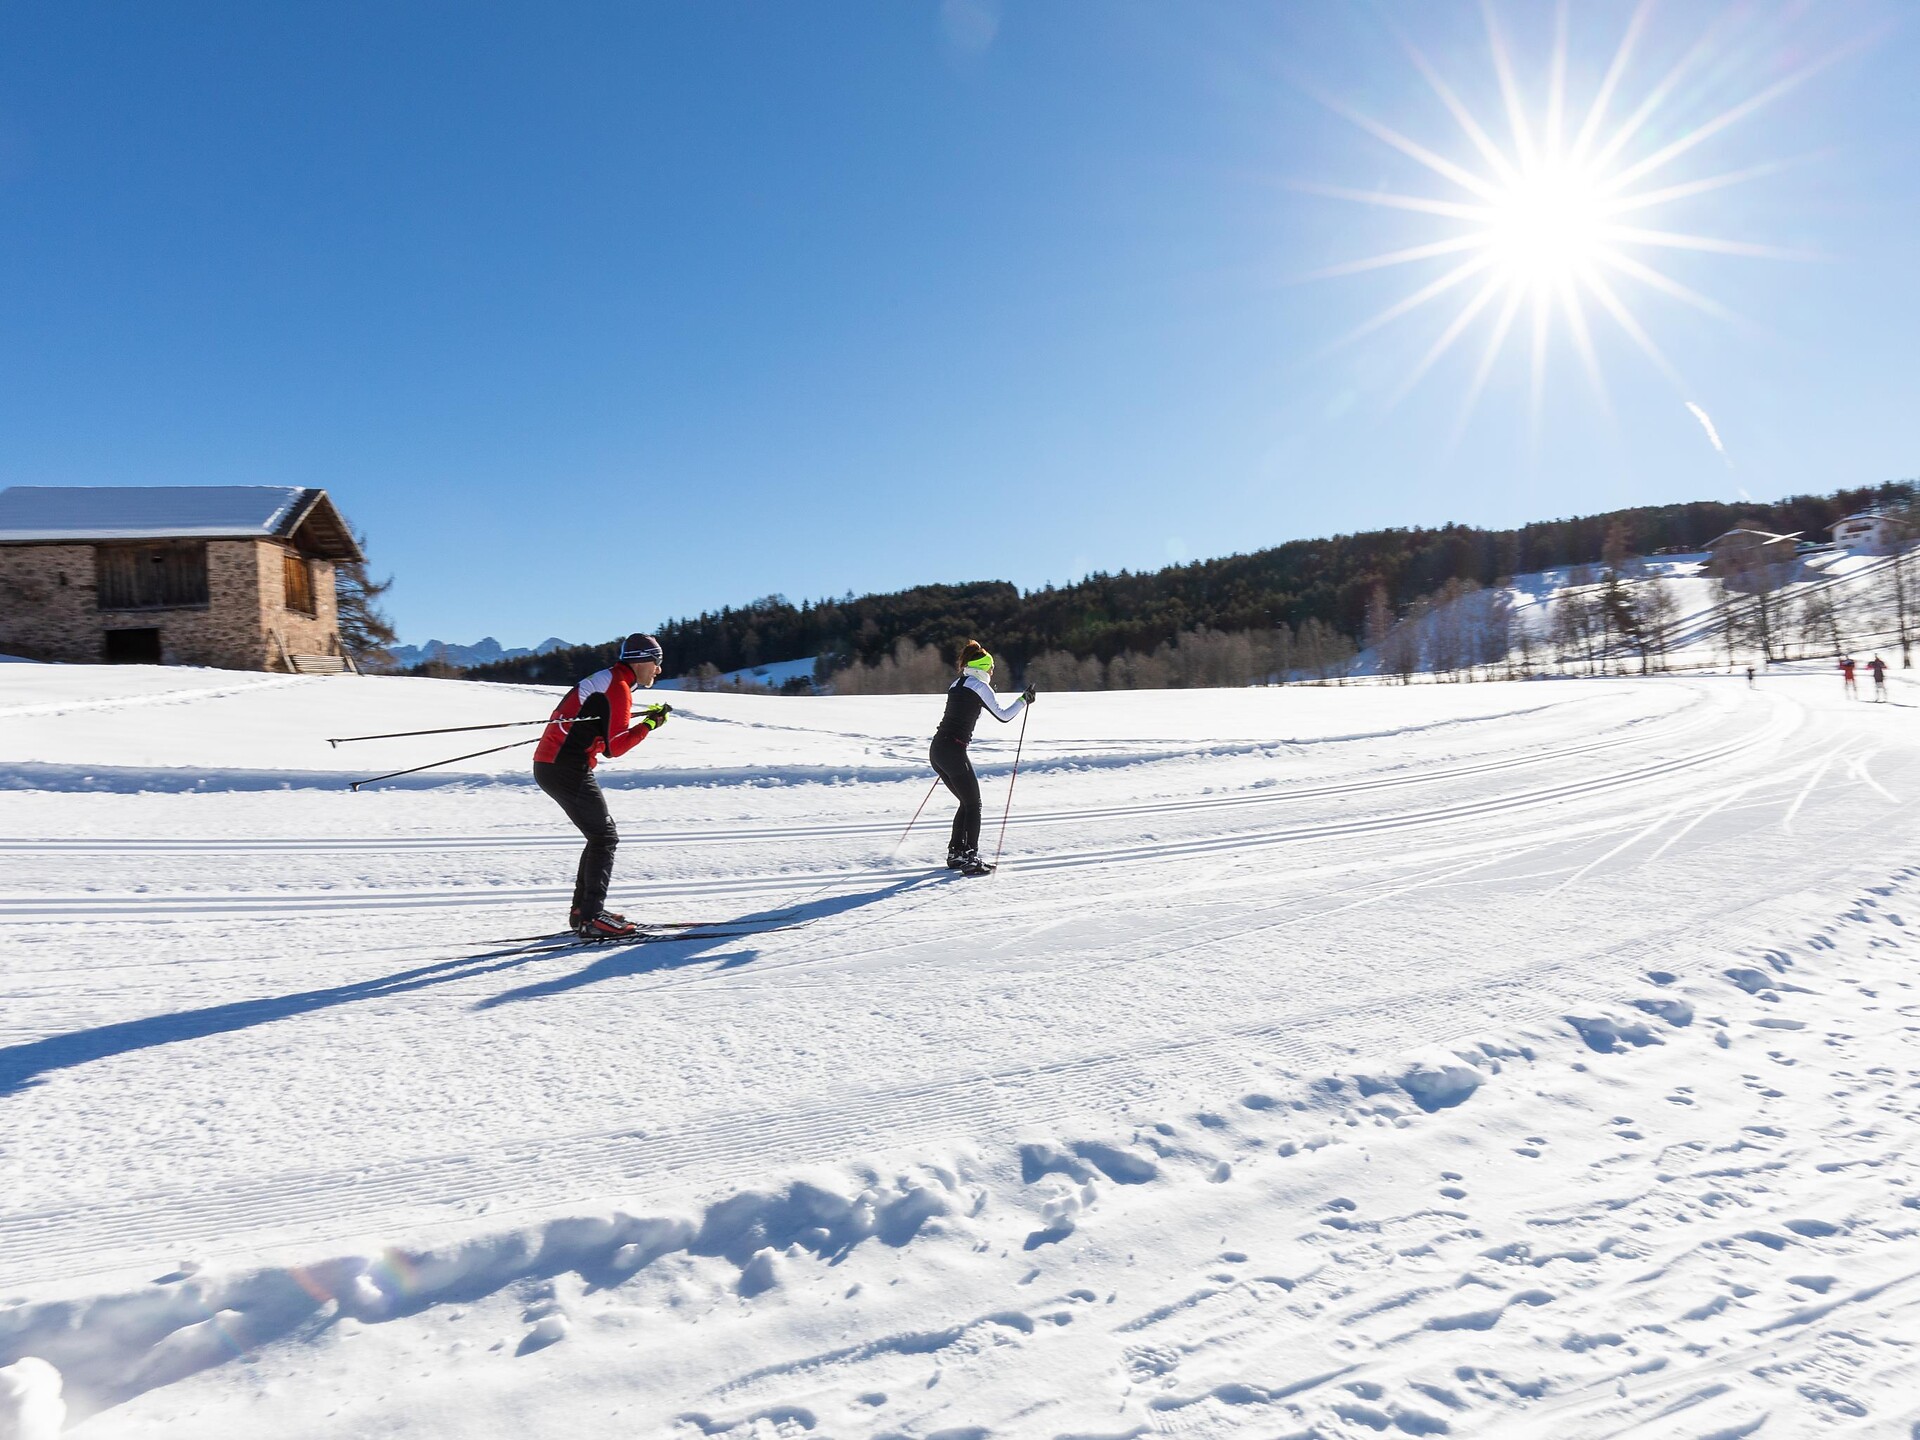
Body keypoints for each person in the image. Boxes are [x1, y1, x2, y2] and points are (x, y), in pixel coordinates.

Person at [533, 633, 672, 938]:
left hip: (554, 765)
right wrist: (650, 725)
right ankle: (592, 917)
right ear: (640, 661)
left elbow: (604, 735)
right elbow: (616, 747)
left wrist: (643, 722)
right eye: (656, 662)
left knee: (599, 835)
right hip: (565, 767)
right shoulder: (618, 687)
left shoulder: (611, 680)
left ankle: (583, 912)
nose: (659, 670)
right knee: (604, 837)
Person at [930, 640, 1033, 877]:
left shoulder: (956, 683)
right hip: (953, 751)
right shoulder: (980, 686)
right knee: (974, 804)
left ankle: (956, 853)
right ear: (984, 666)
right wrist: (1024, 700)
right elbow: (1004, 716)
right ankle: (970, 858)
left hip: (938, 750)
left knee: (965, 802)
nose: (993, 672)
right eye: (991, 667)